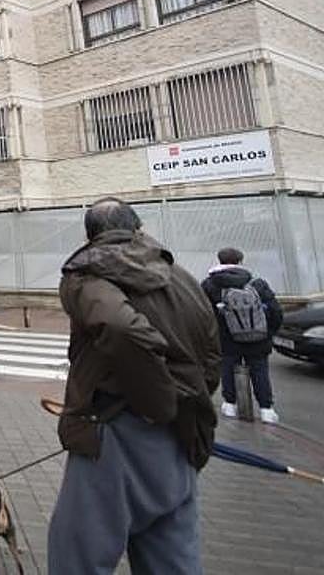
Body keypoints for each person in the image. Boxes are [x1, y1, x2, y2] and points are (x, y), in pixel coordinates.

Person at [48, 198, 219, 575]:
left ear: (90, 235)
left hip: (116, 435)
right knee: (173, 560)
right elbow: (210, 349)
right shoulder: (181, 276)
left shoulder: (86, 277)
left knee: (76, 556)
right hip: (181, 440)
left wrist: (158, 401)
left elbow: (122, 329)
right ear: (138, 227)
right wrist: (189, 400)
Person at [200, 247, 283, 424]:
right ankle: (266, 409)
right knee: (259, 371)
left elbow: (202, 314)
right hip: (258, 338)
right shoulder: (257, 283)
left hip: (226, 339)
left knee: (228, 368)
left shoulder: (210, 285)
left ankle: (230, 405)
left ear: (220, 261)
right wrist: (268, 332)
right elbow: (276, 311)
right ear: (240, 261)